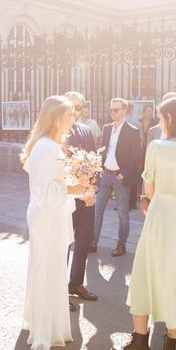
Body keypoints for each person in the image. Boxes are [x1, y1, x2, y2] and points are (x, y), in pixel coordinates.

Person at [110, 97, 176, 350]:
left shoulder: (157, 147)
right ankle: (170, 347)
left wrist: (155, 199)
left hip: (161, 213)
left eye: (162, 119)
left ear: (169, 120)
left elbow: (149, 191)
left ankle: (140, 345)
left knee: (146, 276)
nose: (159, 124)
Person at [21, 95, 93, 350]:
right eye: (68, 115)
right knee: (49, 269)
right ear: (55, 119)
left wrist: (75, 186)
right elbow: (46, 192)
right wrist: (75, 186)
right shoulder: (48, 148)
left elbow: (52, 183)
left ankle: (40, 320)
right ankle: (46, 328)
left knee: (45, 267)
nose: (73, 120)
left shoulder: (47, 144)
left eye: (74, 114)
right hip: (46, 216)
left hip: (45, 214)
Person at [91, 98, 141, 257]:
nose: (112, 113)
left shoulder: (132, 131)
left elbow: (136, 157)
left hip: (120, 178)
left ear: (124, 110)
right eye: (111, 110)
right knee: (97, 210)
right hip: (105, 174)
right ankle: (93, 242)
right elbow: (104, 149)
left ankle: (121, 244)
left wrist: (123, 174)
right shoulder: (106, 128)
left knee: (122, 213)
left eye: (116, 110)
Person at [64, 91, 98, 311]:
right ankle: (57, 291)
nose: (76, 112)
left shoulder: (86, 131)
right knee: (64, 243)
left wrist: (92, 188)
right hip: (66, 197)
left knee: (84, 240)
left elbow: (95, 161)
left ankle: (76, 283)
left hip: (86, 197)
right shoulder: (57, 132)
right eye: (72, 107)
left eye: (79, 107)